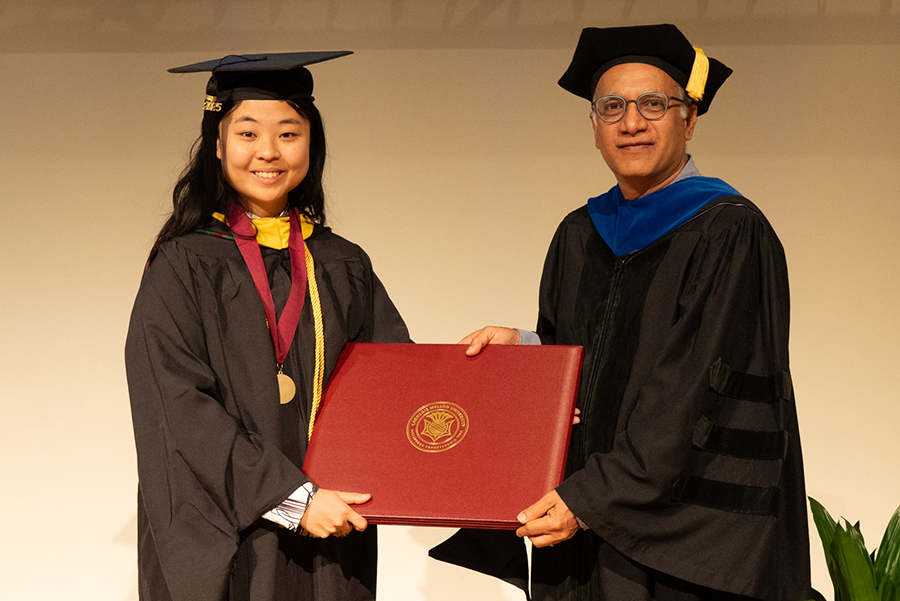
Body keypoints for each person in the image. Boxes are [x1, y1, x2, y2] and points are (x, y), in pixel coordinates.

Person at [451, 24, 811, 601]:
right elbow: (587, 353)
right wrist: (530, 355)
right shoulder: (579, 233)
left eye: (653, 104)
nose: (631, 122)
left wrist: (593, 499)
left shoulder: (728, 230)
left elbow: (693, 388)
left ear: (689, 119)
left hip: (686, 540)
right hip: (580, 524)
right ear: (592, 127)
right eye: (612, 106)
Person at [125, 52, 410, 601]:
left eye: (289, 133)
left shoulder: (341, 262)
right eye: (248, 132)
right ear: (217, 144)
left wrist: (508, 407)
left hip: (331, 536)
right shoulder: (183, 265)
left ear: (312, 144)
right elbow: (178, 410)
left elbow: (396, 382)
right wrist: (295, 499)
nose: (269, 152)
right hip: (234, 534)